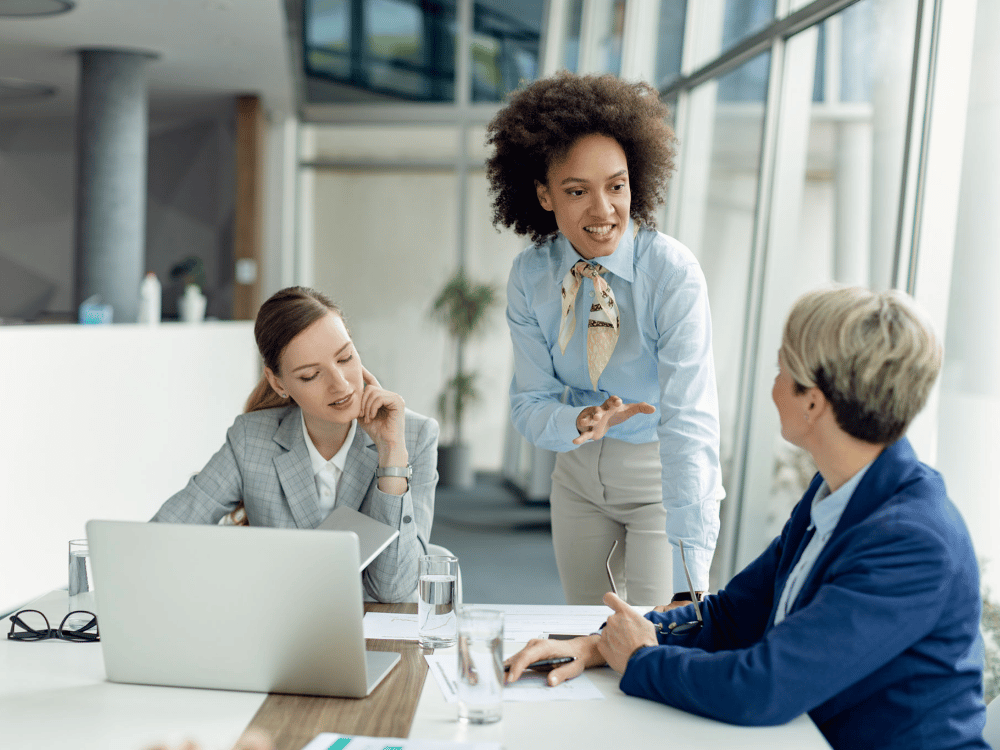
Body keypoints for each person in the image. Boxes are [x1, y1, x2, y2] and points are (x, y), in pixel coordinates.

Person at [504, 286, 988, 749]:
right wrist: (599, 644)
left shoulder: (913, 542)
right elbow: (733, 616)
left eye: (781, 369)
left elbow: (764, 687)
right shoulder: (838, 490)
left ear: (813, 401)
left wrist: (640, 660)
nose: (773, 385)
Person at [486, 71, 722, 606]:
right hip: (575, 476)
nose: (604, 210)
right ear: (544, 195)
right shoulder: (531, 276)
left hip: (659, 476)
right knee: (584, 632)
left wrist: (691, 573)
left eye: (616, 186)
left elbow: (691, 420)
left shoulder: (672, 274)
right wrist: (580, 422)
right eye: (577, 191)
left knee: (654, 640)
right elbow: (529, 403)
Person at [151, 286, 438, 603]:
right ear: (278, 383)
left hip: (373, 633)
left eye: (345, 357)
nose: (341, 384)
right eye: (311, 375)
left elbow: (393, 589)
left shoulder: (414, 435)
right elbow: (163, 534)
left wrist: (391, 455)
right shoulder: (252, 439)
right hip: (274, 628)